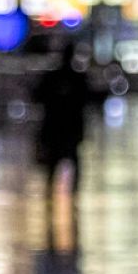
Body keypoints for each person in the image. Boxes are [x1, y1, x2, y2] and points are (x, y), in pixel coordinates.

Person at [36, 40, 91, 193]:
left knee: (56, 163)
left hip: (58, 127)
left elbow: (38, 96)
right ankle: (70, 192)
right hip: (67, 127)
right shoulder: (77, 79)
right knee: (67, 160)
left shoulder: (56, 77)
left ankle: (54, 192)